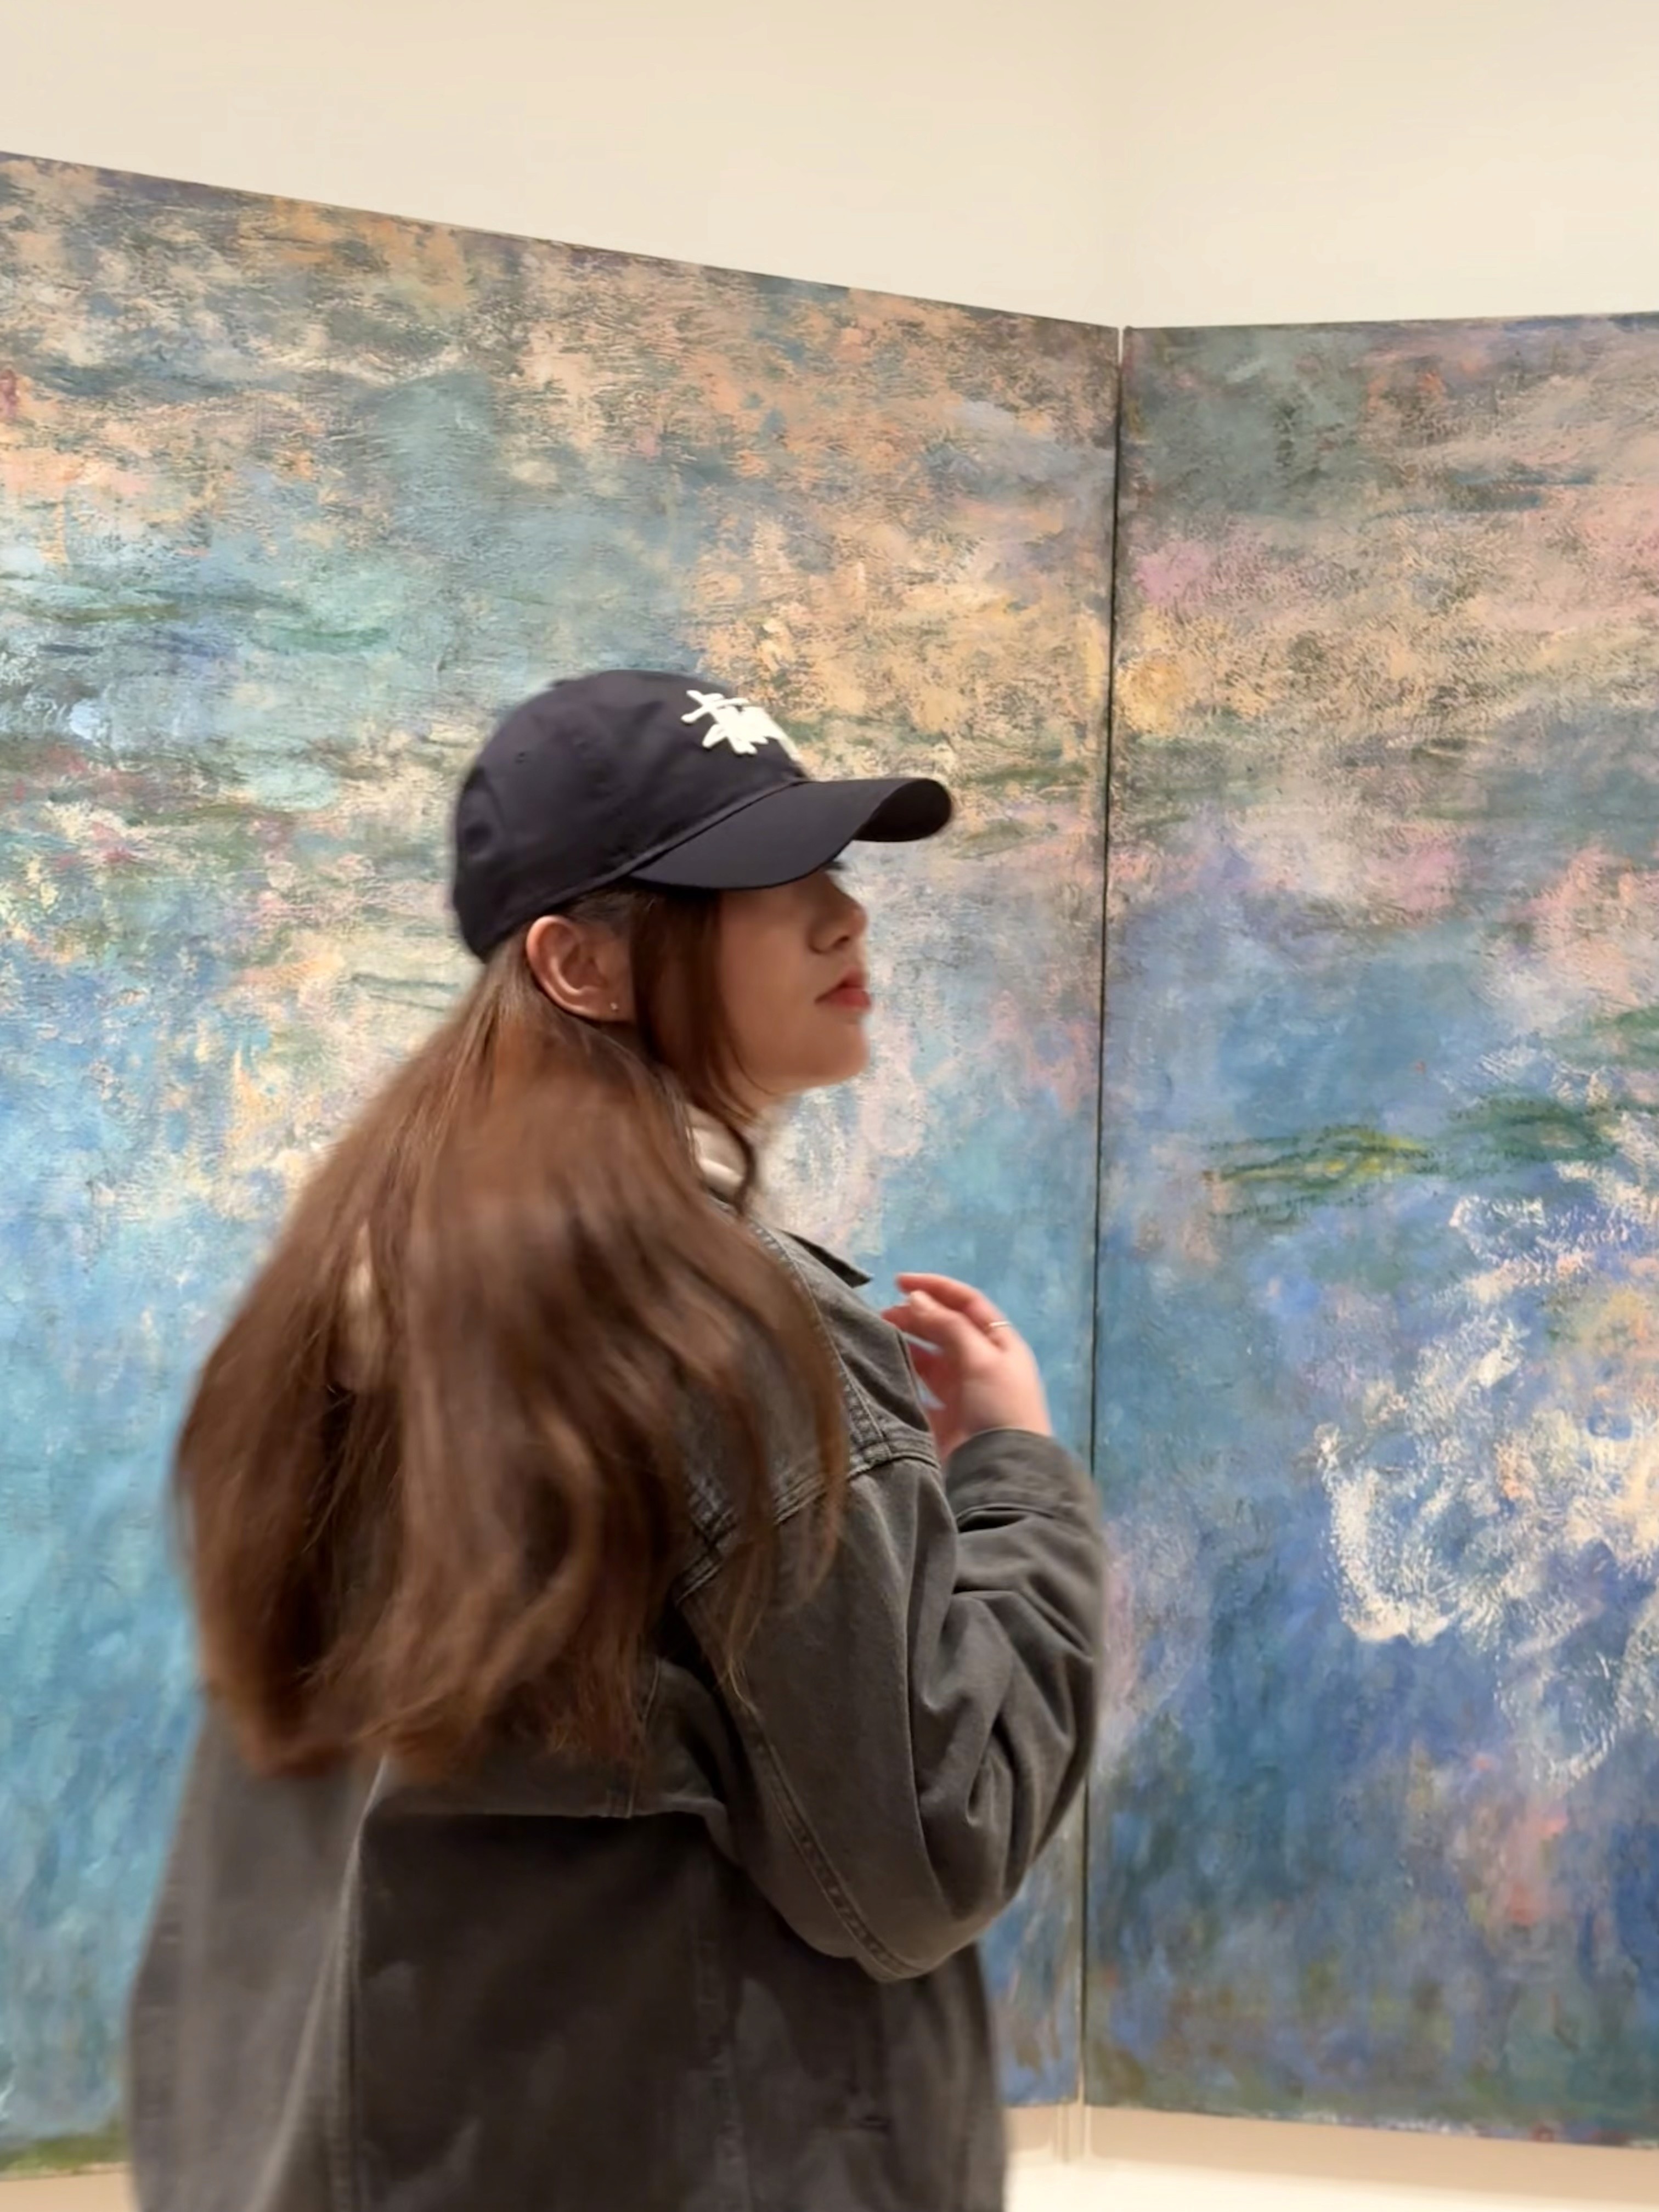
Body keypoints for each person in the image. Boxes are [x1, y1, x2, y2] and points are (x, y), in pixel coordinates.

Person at [126, 670, 1105, 2212]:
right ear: (579, 963)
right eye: (763, 882)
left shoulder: (357, 1299)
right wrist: (1018, 1487)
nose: (842, 918)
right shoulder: (718, 1333)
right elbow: (921, 1854)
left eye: (835, 870)